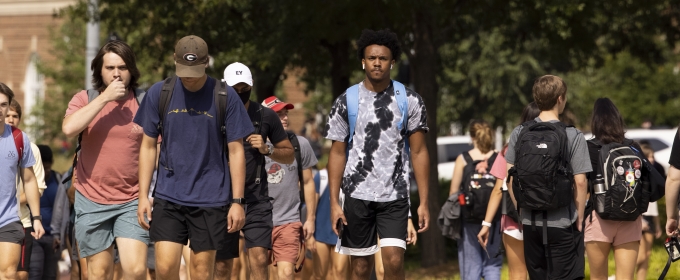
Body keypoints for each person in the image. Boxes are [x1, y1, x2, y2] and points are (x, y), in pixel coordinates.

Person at [134, 35, 252, 280]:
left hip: (210, 198)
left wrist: (238, 201)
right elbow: (147, 146)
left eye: (195, 69)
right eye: (183, 69)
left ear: (206, 62)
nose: (188, 76)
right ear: (174, 61)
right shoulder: (160, 92)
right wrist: (143, 195)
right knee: (165, 269)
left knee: (200, 272)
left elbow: (236, 150)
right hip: (168, 195)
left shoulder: (224, 96)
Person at [324, 29, 430, 280]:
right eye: (371, 58)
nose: (377, 63)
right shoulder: (346, 101)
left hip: (394, 194)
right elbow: (337, 154)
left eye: (383, 58)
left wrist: (423, 202)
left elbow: (418, 151)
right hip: (357, 194)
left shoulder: (410, 100)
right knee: (360, 268)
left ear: (392, 62)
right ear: (363, 61)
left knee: (393, 260)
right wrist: (333, 204)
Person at [62, 40, 149, 280]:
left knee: (135, 270)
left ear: (131, 69)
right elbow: (69, 128)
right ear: (99, 70)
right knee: (98, 274)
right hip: (91, 199)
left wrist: (149, 193)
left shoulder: (145, 101)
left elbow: (157, 147)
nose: (117, 73)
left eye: (122, 67)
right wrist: (104, 99)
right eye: (110, 68)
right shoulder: (84, 98)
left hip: (132, 198)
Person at [505, 75, 591, 279]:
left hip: (530, 222)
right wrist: (579, 218)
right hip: (563, 222)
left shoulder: (519, 132)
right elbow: (580, 181)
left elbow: (510, 179)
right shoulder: (573, 135)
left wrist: (523, 209)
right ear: (560, 98)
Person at [214, 62, 294, 280]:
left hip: (256, 199)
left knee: (259, 259)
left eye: (244, 88)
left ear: (251, 85)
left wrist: (267, 148)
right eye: (235, 89)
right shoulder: (214, 114)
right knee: (222, 266)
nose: (240, 93)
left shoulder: (265, 115)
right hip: (221, 198)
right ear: (224, 88)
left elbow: (289, 154)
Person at [583, 98, 646, 280]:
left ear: (595, 121)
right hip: (630, 216)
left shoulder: (589, 148)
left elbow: (580, 183)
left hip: (598, 216)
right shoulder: (633, 147)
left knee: (598, 277)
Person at [477, 102, 541, 280]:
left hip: (514, 219)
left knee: (517, 273)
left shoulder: (509, 148)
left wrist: (486, 224)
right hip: (545, 217)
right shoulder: (552, 145)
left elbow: (498, 189)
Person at [261, 95, 318, 280]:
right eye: (278, 114)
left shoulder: (299, 144)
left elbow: (308, 182)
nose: (285, 118)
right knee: (260, 274)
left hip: (289, 221)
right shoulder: (251, 146)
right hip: (259, 221)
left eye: (285, 113)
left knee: (286, 274)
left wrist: (310, 218)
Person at [0, 82, 45, 279]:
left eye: (3, 105)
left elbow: (29, 179)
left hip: (8, 219)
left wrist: (36, 218)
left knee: (9, 274)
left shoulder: (19, 139)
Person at [448, 120, 501, 280]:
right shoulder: (499, 157)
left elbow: (453, 192)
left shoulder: (463, 159)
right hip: (493, 220)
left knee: (471, 266)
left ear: (472, 137)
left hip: (469, 219)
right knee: (492, 265)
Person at [28, 145, 69, 280]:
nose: (46, 172)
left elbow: (62, 209)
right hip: (34, 236)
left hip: (53, 237)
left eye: (48, 168)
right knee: (35, 272)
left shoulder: (58, 179)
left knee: (50, 275)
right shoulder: (28, 181)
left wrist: (59, 235)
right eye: (42, 168)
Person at [311, 168, 349, 280]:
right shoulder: (321, 176)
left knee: (340, 272)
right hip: (321, 233)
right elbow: (312, 210)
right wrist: (310, 236)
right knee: (319, 275)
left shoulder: (352, 177)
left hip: (343, 234)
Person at [636, 142, 663, 280]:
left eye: (652, 156)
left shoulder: (654, 175)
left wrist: (657, 224)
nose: (652, 159)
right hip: (641, 217)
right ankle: (621, 275)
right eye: (649, 156)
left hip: (651, 217)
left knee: (647, 254)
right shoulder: (638, 175)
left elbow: (655, 205)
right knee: (640, 255)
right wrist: (640, 219)